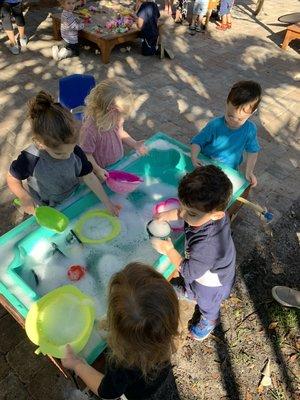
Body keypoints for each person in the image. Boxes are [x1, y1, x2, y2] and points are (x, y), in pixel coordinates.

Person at [62, 262, 181, 400]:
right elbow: (144, 323)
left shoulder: (123, 362)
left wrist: (77, 364)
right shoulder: (163, 333)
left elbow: (108, 392)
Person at [151, 166, 236, 341]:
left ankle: (208, 321)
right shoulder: (207, 212)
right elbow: (187, 211)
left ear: (217, 216)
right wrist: (169, 215)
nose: (182, 213)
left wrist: (169, 250)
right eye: (181, 206)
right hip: (207, 265)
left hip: (212, 282)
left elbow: (189, 271)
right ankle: (189, 291)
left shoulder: (207, 245)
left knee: (207, 303)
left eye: (190, 213)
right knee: (194, 283)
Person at [7, 91, 121, 216]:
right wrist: (24, 197)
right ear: (40, 144)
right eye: (59, 154)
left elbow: (89, 177)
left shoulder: (76, 151)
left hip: (71, 195)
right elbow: (12, 178)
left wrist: (108, 203)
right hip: (45, 204)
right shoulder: (31, 158)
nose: (67, 156)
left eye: (71, 150)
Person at [191, 81, 262, 187]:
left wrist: (249, 172)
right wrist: (194, 157)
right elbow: (197, 142)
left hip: (228, 171)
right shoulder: (215, 125)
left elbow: (253, 151)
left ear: (253, 112)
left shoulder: (250, 130)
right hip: (205, 165)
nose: (233, 121)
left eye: (240, 119)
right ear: (227, 103)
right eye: (230, 115)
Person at [81, 79, 147, 180]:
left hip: (118, 162)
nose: (122, 117)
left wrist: (134, 144)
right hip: (103, 170)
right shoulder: (90, 130)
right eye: (120, 113)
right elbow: (86, 154)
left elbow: (120, 132)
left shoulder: (116, 118)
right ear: (110, 110)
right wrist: (98, 170)